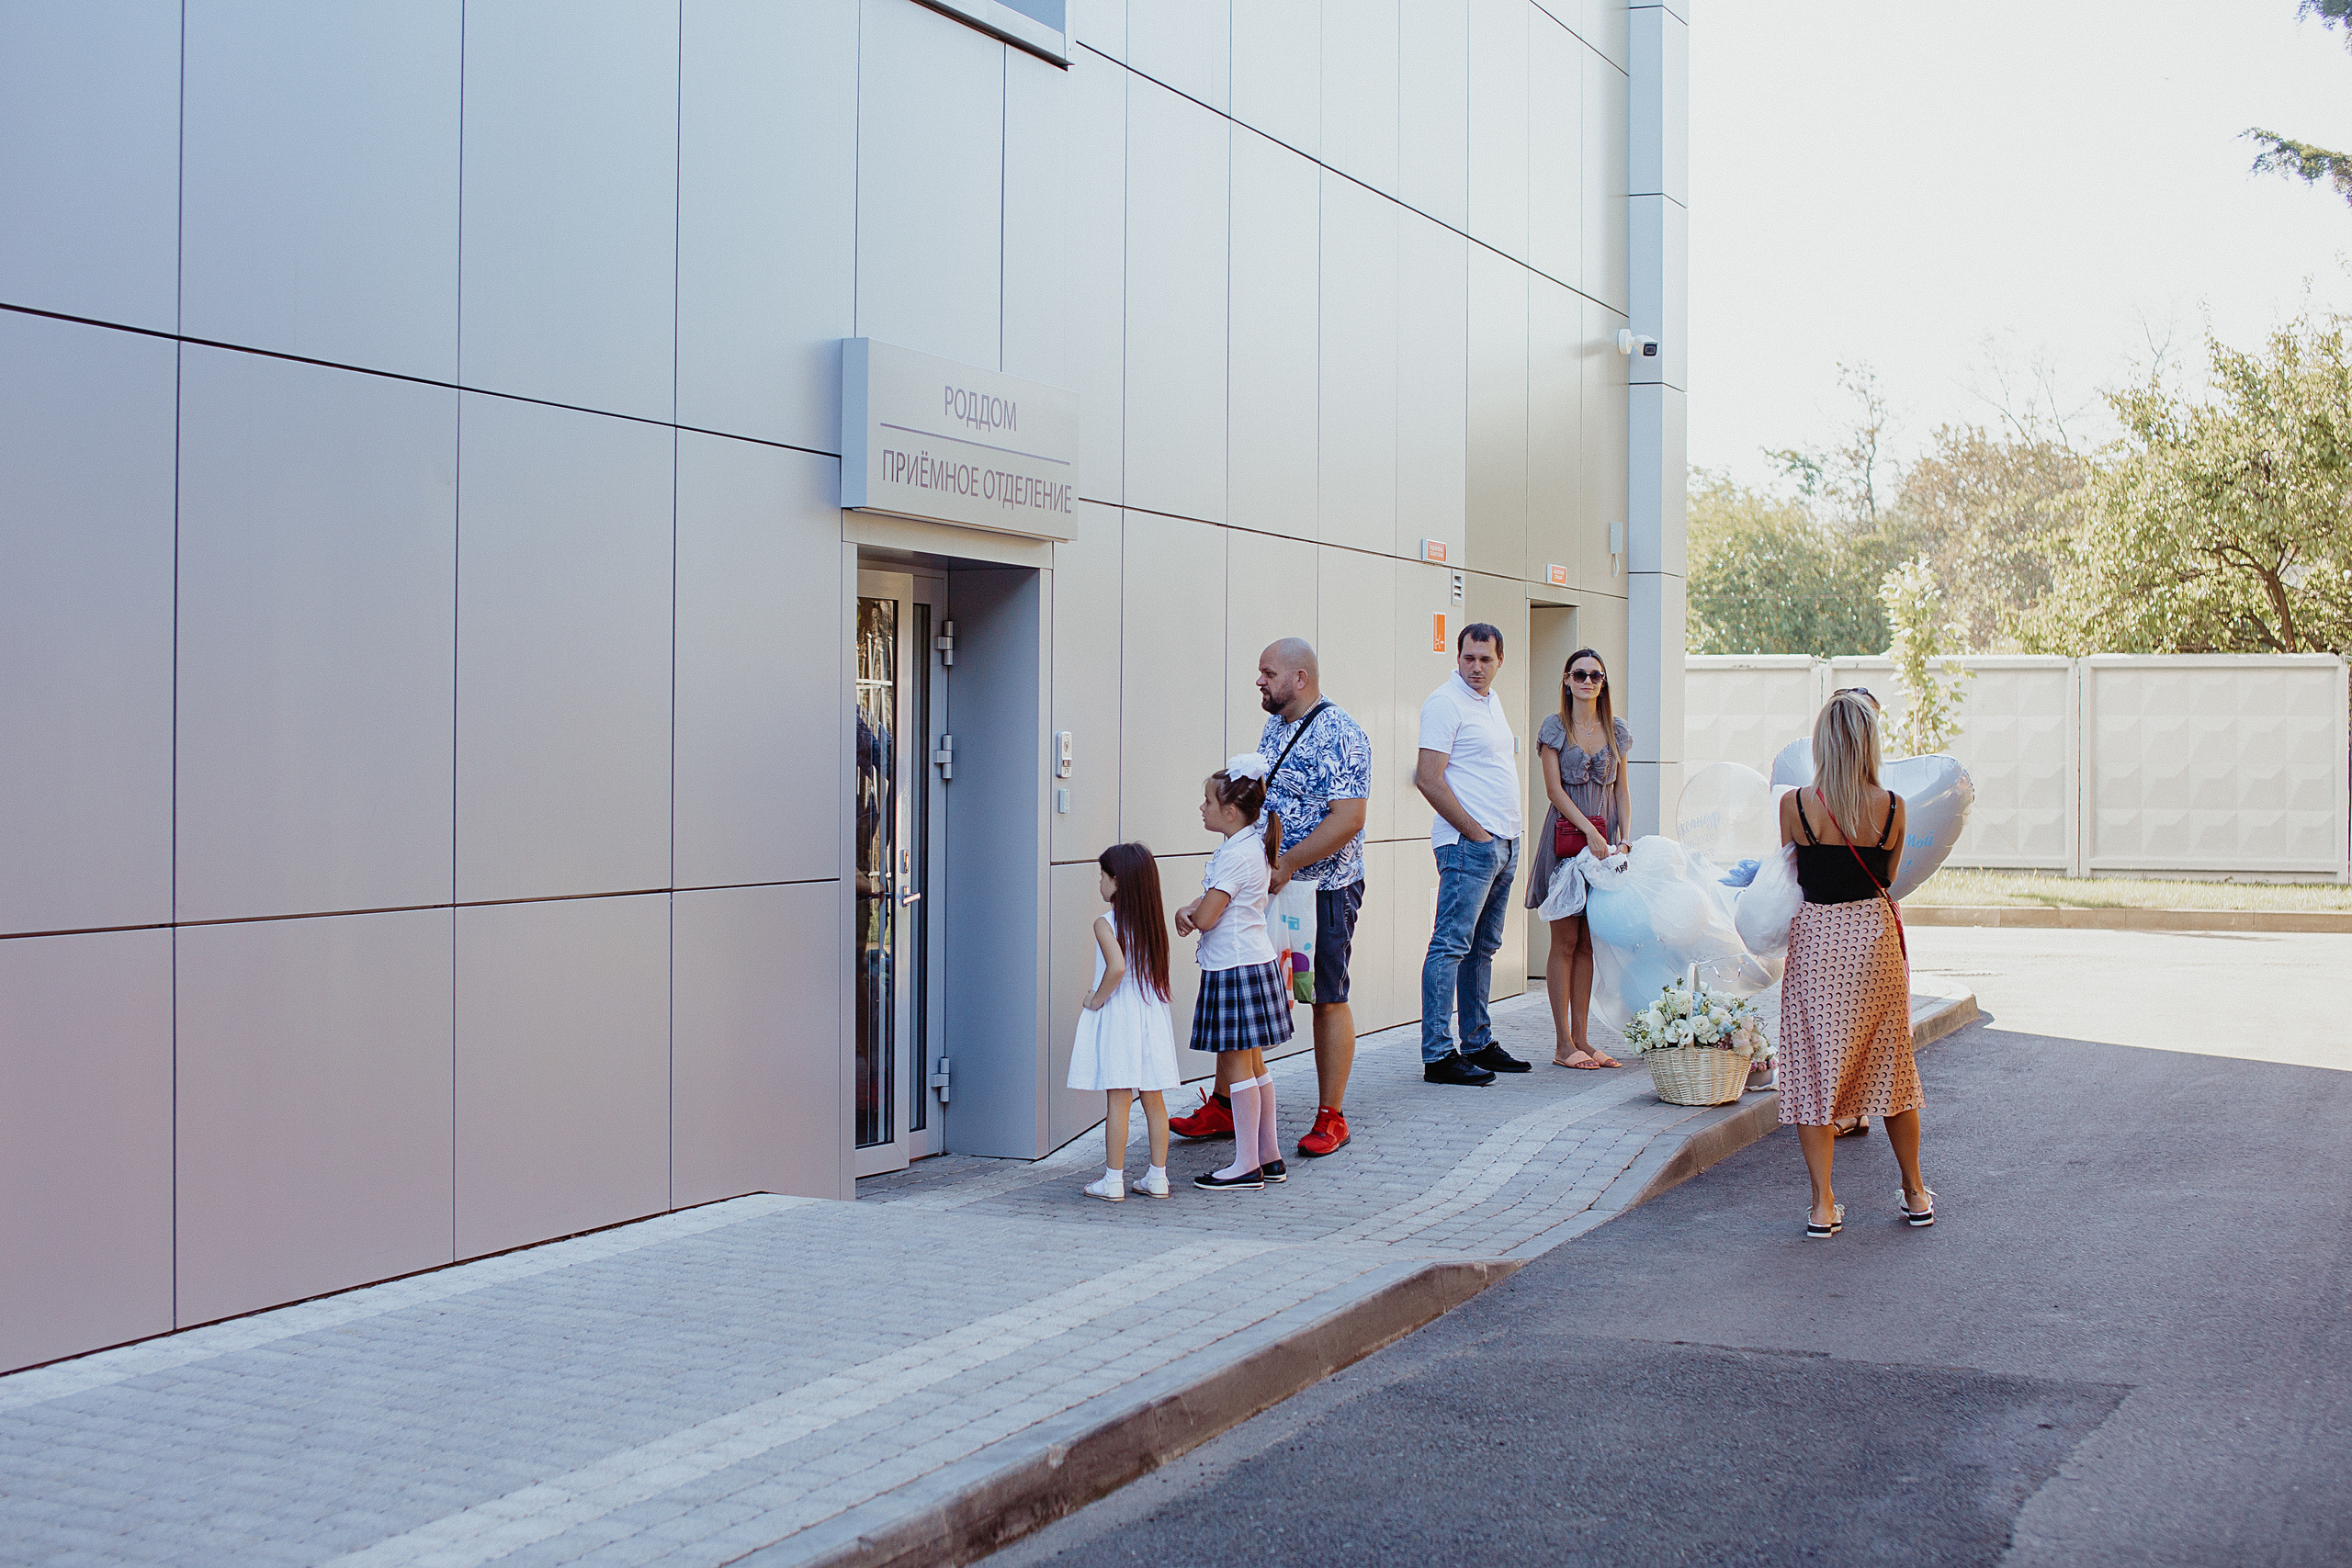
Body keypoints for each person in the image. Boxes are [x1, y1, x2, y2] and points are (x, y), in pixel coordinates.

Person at [1170, 639, 1372, 1158]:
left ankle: (1332, 1117)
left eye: (1268, 672)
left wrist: (1289, 863)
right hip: (1270, 885)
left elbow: (1348, 818)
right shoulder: (1275, 725)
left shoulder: (1342, 733)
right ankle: (1225, 1102)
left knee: (1325, 993)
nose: (1259, 680)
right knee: (1244, 982)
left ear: (1300, 678)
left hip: (1321, 889)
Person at [1776, 691, 1935, 1239]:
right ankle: (1915, 1192)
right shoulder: (1892, 806)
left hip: (1820, 940)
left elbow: (1791, 872)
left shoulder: (1796, 805)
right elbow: (1889, 875)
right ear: (1869, 745)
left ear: (1823, 742)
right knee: (1892, 1066)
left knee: (1816, 1067)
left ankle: (1823, 1204)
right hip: (1874, 940)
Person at [1414, 623, 1532, 1085]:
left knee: (1483, 948)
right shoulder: (1445, 703)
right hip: (1469, 846)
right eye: (1469, 658)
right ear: (1457, 657)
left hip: (1503, 843)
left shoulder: (1490, 702)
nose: (1477, 668)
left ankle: (1477, 1041)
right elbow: (1428, 778)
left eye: (1485, 660)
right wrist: (1476, 835)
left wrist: (1501, 838)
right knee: (1450, 946)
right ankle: (1439, 1055)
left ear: (1499, 660)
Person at [1174, 755, 1295, 1190]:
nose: (1201, 808)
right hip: (1251, 962)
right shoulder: (1248, 847)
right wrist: (1197, 908)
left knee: (1238, 1066)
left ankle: (1247, 1165)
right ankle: (1269, 1156)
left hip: (1235, 967)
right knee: (1256, 1064)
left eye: (1207, 801)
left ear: (1230, 812)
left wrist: (1188, 913)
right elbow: (1218, 904)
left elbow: (1209, 916)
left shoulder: (1237, 854)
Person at [1526, 648, 1633, 1068]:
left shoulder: (1616, 730)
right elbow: (1554, 790)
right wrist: (1589, 830)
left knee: (1590, 942)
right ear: (1567, 681)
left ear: (1603, 683)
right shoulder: (1555, 727)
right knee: (1565, 941)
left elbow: (1621, 791)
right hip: (1566, 845)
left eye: (1596, 676)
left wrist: (1626, 837)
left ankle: (1584, 1040)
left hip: (1603, 851)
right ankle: (1561, 1043)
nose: (1588, 681)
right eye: (1580, 674)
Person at [1067, 843, 1182, 1202]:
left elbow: (1117, 968)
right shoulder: (1151, 923)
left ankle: (1113, 1180)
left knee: (1119, 1099)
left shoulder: (1106, 923)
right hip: (1152, 1012)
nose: (1099, 882)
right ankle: (1157, 1177)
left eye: (1102, 876)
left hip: (1121, 1016)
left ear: (1116, 882)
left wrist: (1095, 999)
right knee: (1154, 1099)